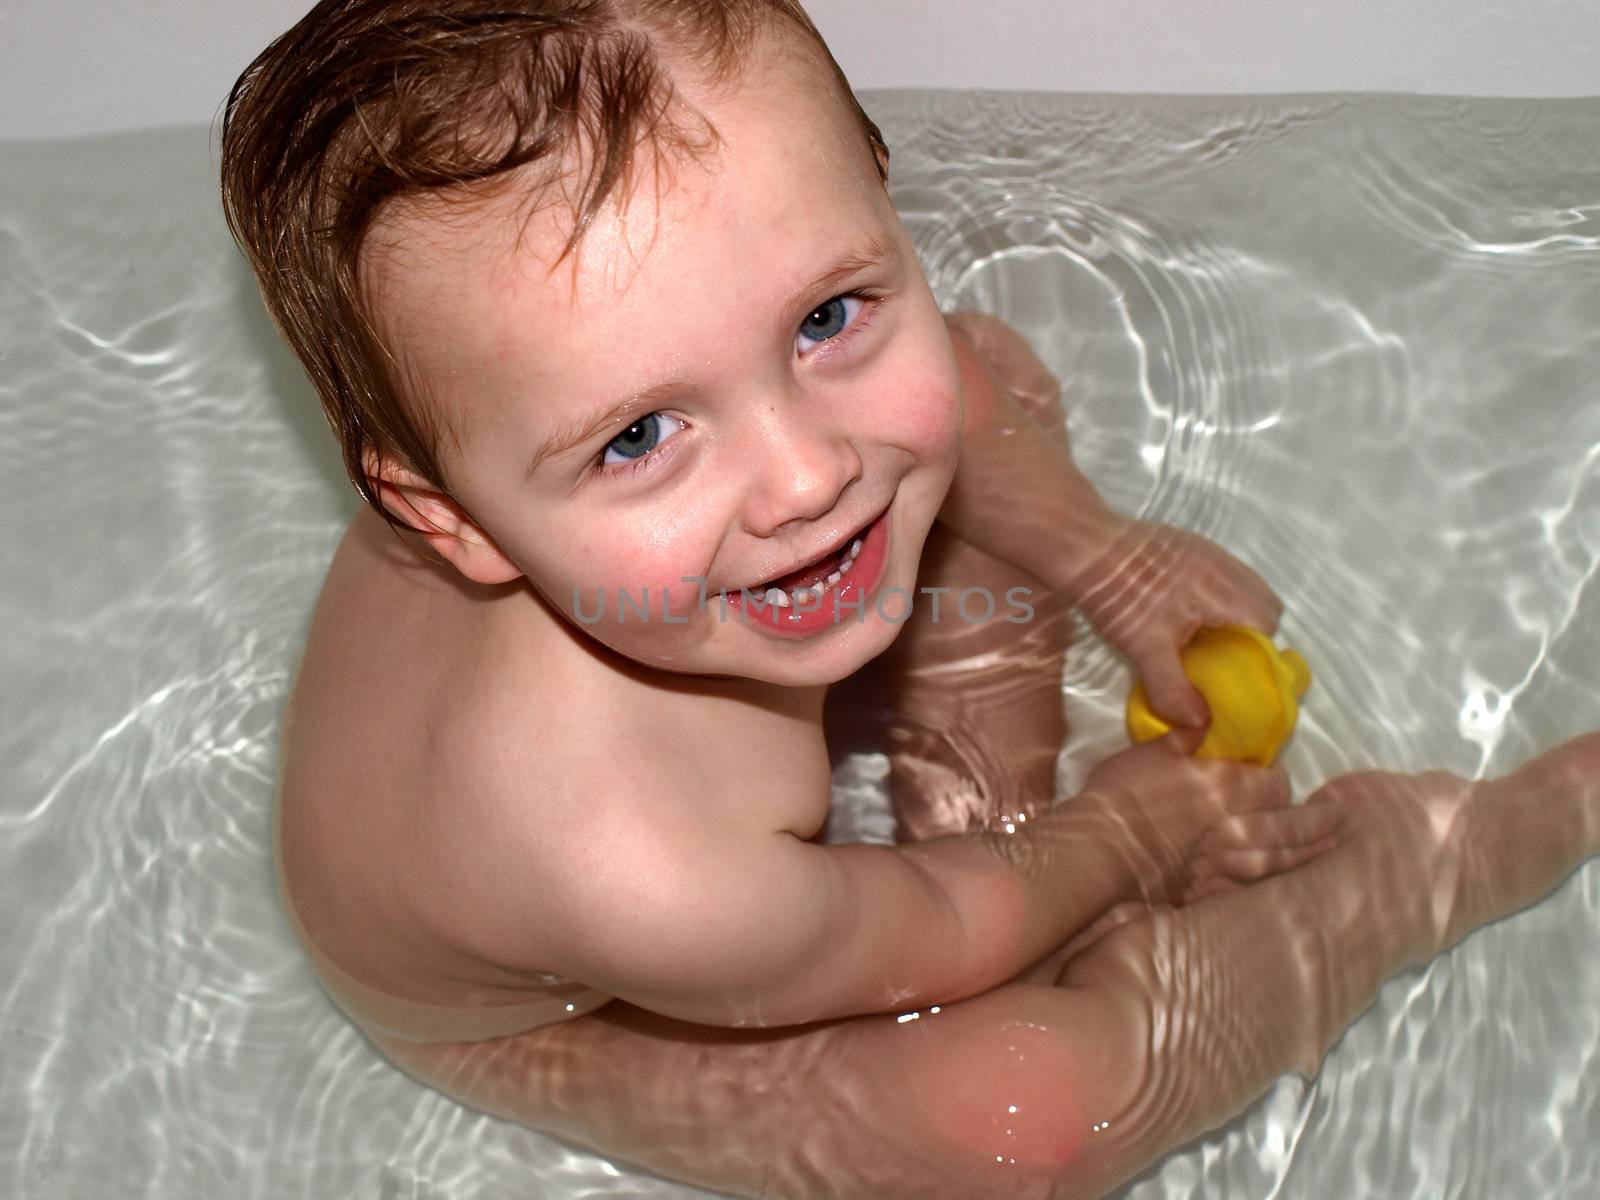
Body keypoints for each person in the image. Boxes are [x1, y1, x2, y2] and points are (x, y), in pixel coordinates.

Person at [221, 2, 1600, 1196]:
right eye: (639, 436)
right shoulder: (634, 857)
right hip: (572, 1006)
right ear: (452, 520)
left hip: (750, 736)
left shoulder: (691, 517)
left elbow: (939, 387)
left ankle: (995, 811)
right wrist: (1144, 816)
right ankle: (1416, 877)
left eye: (826, 316)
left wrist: (1102, 559)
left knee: (973, 387)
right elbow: (935, 939)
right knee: (1023, 1124)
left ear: (884, 195)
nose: (808, 475)